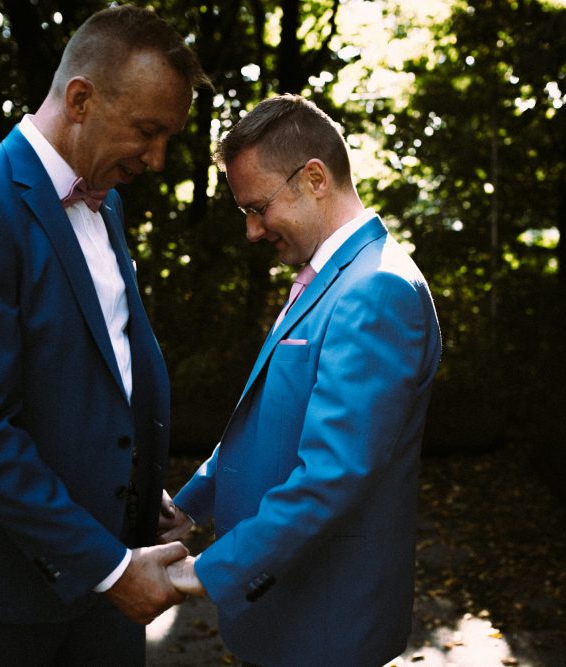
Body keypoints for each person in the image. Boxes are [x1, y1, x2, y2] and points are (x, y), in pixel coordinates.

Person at [0, 6, 209, 664]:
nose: (156, 160)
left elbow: (96, 365)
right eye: (148, 132)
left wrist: (136, 482)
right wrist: (108, 567)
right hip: (6, 590)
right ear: (80, 98)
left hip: (110, 561)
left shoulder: (109, 198)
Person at [161, 94, 442, 666]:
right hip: (284, 612)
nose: (253, 231)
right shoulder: (328, 277)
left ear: (314, 177)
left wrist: (200, 574)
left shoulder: (376, 289)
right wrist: (190, 508)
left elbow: (332, 475)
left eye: (258, 207)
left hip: (324, 624)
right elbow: (269, 423)